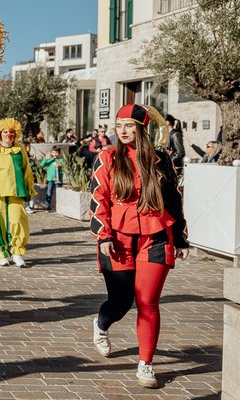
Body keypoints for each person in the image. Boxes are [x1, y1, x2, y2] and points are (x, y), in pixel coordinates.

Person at [89, 104, 190, 389]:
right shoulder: (106, 157)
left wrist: (181, 238)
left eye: (129, 125)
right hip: (117, 238)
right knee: (121, 302)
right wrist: (104, 235)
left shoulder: (161, 159)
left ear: (142, 129)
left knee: (148, 303)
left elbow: (173, 199)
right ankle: (102, 324)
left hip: (156, 236)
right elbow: (99, 199)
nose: (122, 130)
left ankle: (145, 363)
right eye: (119, 125)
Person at [0, 118, 34, 267]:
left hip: (16, 192)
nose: (9, 134)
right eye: (5, 131)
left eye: (11, 132)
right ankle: (2, 253)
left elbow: (26, 170)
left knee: (18, 221)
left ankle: (17, 252)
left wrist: (29, 188)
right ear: (0, 133)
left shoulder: (19, 149)